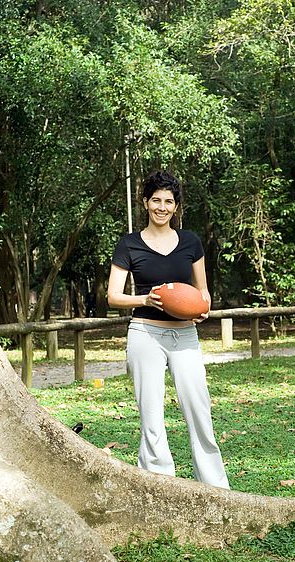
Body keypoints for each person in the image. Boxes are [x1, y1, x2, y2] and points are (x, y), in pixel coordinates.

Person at [107, 170, 229, 489]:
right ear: (145, 202)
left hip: (185, 335)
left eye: (169, 202)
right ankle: (161, 487)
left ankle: (216, 487)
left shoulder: (191, 242)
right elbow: (113, 296)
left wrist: (203, 308)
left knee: (199, 411)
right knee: (151, 417)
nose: (162, 207)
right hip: (145, 333)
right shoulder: (129, 244)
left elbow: (203, 292)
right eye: (156, 200)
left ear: (176, 207)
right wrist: (144, 298)